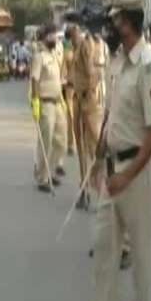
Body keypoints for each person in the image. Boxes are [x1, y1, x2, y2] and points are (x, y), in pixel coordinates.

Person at [89, 0, 151, 301]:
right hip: (112, 171)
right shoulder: (117, 62)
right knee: (104, 253)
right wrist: (98, 157)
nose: (110, 26)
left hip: (135, 174)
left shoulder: (147, 66)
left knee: (141, 261)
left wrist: (127, 176)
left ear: (128, 23)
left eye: (115, 19)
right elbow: (111, 115)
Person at [29, 24, 68, 193]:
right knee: (45, 141)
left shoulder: (54, 55)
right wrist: (35, 102)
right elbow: (35, 80)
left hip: (57, 101)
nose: (55, 39)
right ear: (44, 38)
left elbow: (57, 80)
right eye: (52, 36)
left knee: (61, 140)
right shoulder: (39, 57)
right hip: (44, 103)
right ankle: (42, 177)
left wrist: (61, 99)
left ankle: (51, 170)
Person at [69, 23, 104, 209]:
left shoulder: (85, 45)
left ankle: (102, 190)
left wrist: (88, 92)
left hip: (87, 102)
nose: (71, 34)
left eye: (73, 30)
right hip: (78, 99)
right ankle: (84, 190)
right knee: (81, 147)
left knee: (94, 147)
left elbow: (93, 73)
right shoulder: (76, 48)